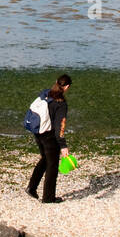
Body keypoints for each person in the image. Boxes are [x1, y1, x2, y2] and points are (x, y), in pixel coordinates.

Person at [25, 73, 72, 204]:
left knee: (45, 159)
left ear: (56, 82)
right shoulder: (61, 104)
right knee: (52, 165)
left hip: (37, 131)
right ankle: (48, 198)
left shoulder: (46, 93)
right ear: (67, 87)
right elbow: (60, 127)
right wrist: (63, 146)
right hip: (49, 136)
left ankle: (31, 188)